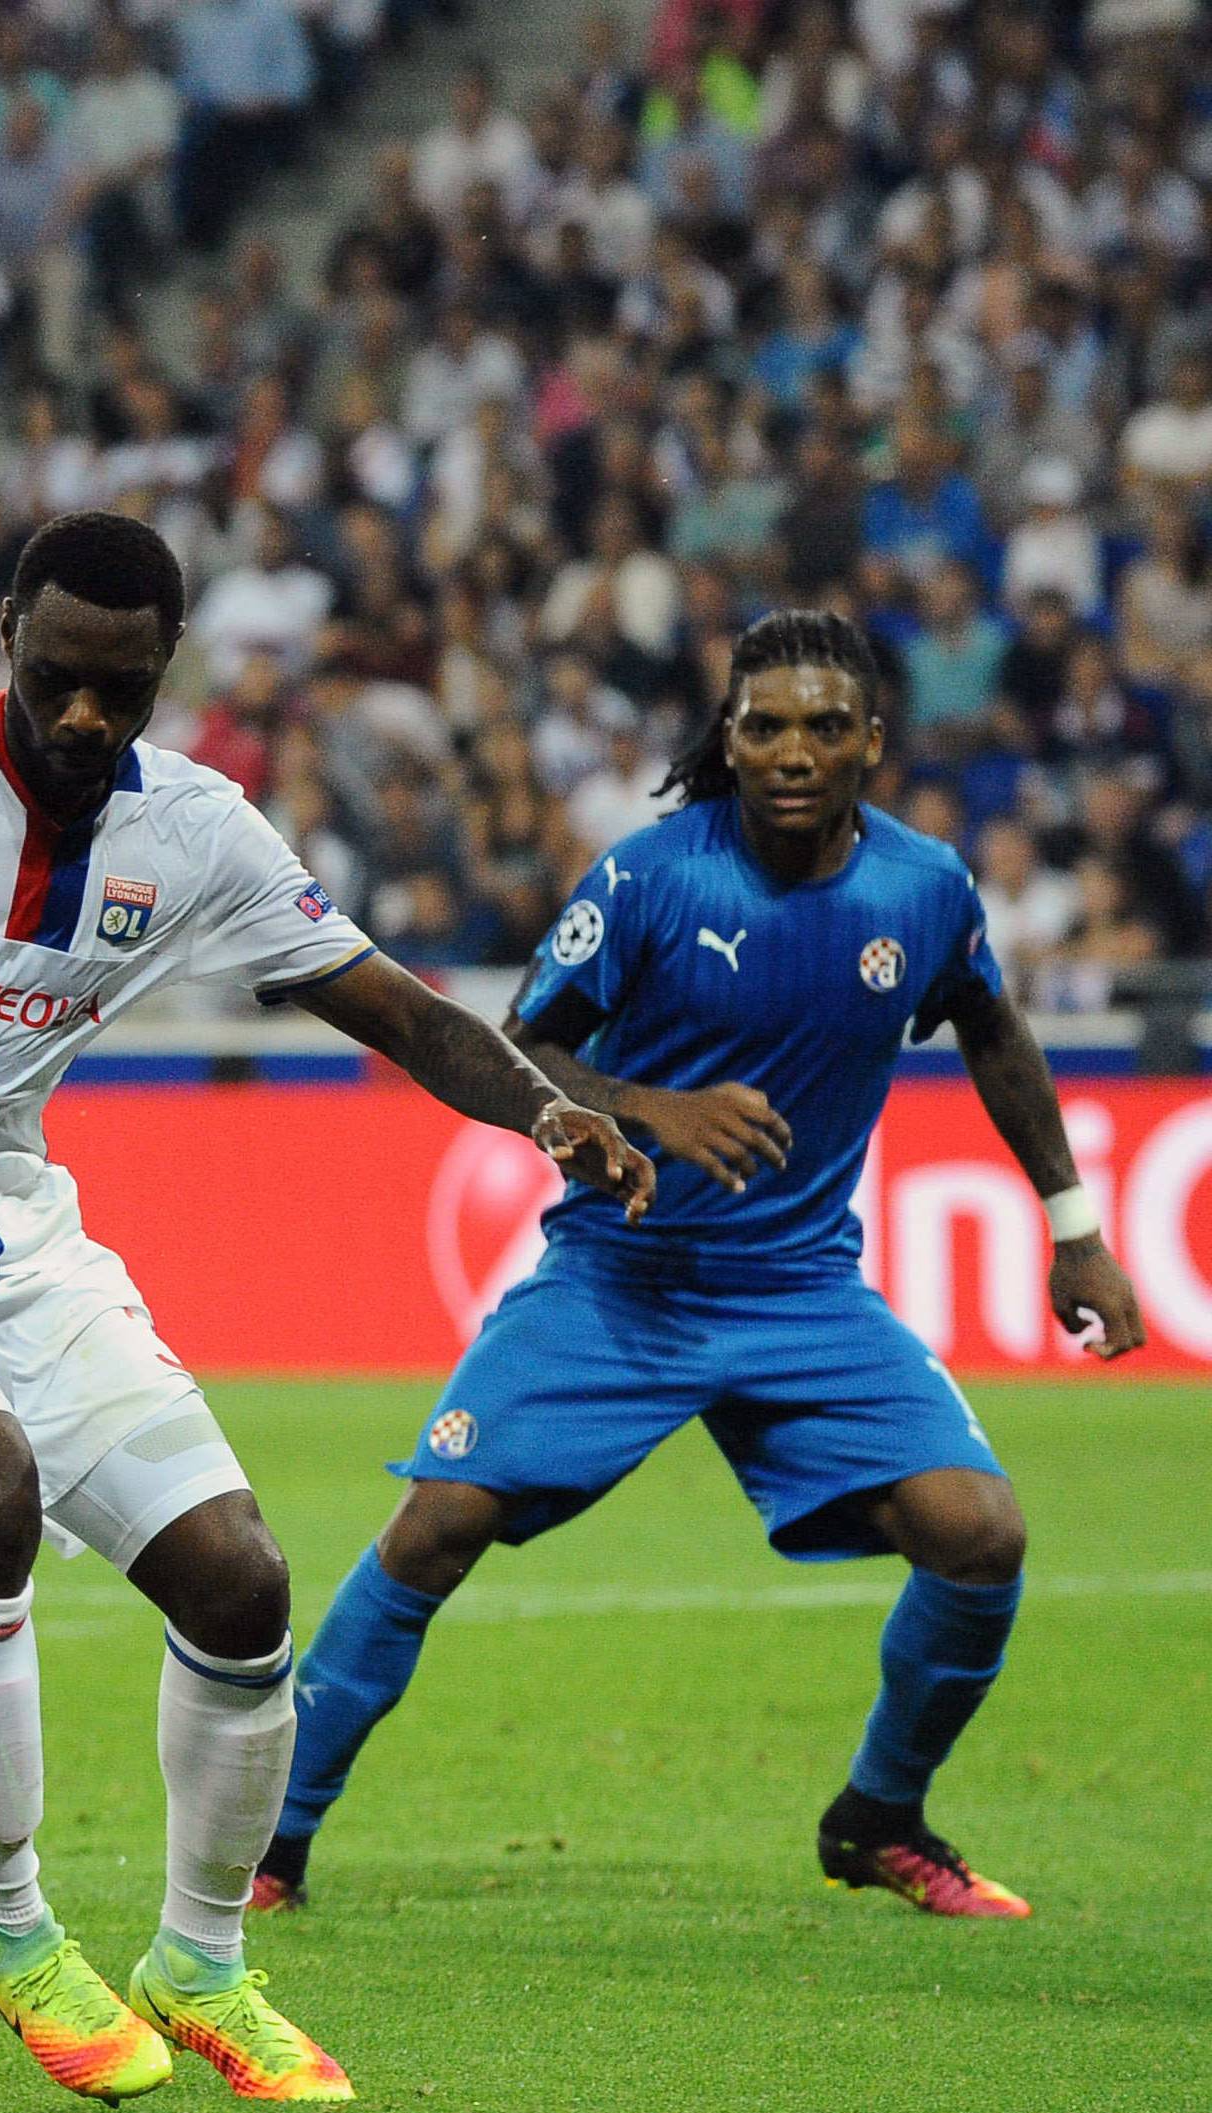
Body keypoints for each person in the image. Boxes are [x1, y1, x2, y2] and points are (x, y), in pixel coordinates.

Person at [0, 510, 653, 2109]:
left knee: (242, 1586)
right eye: (55, 679)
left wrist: (542, 1111)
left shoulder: (202, 831)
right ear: (11, 635)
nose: (84, 718)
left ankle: (203, 1963)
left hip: (16, 1235)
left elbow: (388, 1004)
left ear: (164, 668)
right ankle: (21, 1936)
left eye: (119, 688)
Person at [256, 609, 1145, 1922]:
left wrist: (1075, 1227)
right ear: (728, 736)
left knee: (980, 1534)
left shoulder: (925, 888)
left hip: (799, 1291)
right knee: (439, 1522)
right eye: (766, 723)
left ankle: (877, 1818)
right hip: (623, 1276)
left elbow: (995, 1031)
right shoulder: (653, 878)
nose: (793, 750)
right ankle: (272, 1843)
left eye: (824, 727)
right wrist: (652, 1113)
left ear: (872, 744)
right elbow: (521, 1047)